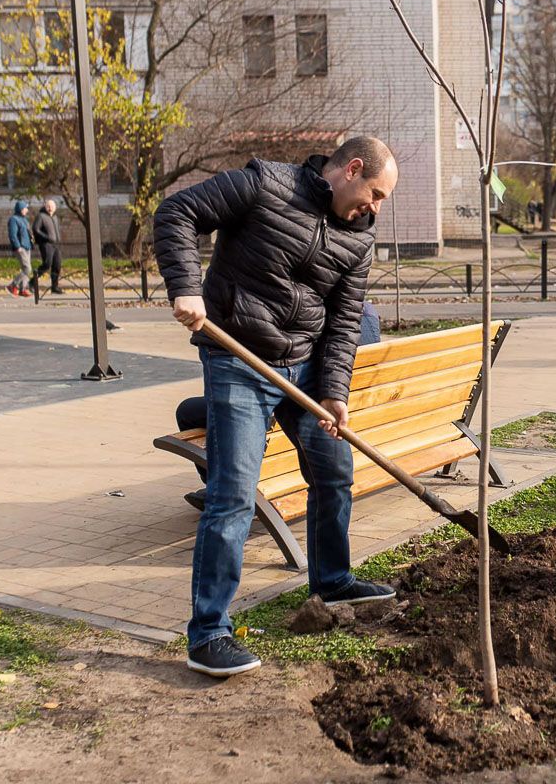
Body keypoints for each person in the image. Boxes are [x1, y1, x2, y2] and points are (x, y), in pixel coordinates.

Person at [153, 136, 399, 678]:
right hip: (238, 360)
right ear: (352, 169)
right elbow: (177, 212)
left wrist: (334, 392)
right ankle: (209, 633)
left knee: (335, 470)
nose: (374, 207)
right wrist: (186, 286)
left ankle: (332, 582)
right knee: (234, 494)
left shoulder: (358, 239)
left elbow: (342, 324)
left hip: (305, 368)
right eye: (375, 193)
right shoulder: (266, 184)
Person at [177, 301, 384, 511]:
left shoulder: (302, 318)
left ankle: (220, 488)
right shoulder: (366, 315)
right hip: (344, 415)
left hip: (293, 415)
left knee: (187, 411)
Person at [31, 199, 64, 295]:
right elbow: (36, 229)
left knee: (57, 265)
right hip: (46, 244)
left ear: (55, 208)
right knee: (47, 264)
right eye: (48, 206)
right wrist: (46, 237)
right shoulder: (41, 216)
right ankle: (32, 282)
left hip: (56, 245)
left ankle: (55, 287)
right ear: (45, 207)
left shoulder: (55, 217)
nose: (50, 208)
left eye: (52, 206)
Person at [7, 201, 33, 298]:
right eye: (25, 208)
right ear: (21, 209)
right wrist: (17, 246)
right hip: (20, 247)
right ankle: (13, 285)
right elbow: (12, 234)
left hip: (27, 246)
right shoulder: (13, 219)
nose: (27, 210)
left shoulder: (24, 220)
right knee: (27, 268)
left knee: (26, 268)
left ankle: (23, 289)